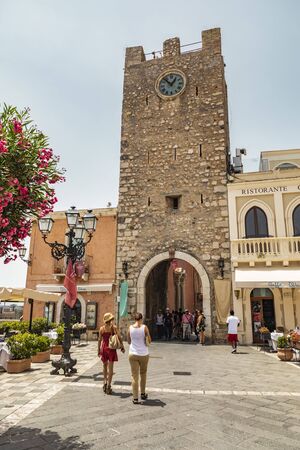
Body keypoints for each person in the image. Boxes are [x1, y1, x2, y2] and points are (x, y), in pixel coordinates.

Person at [98, 312, 125, 394]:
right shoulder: (114, 328)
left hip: (104, 348)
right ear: (111, 320)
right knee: (111, 369)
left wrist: (98, 350)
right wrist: (122, 346)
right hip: (111, 349)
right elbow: (119, 337)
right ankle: (109, 386)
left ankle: (105, 383)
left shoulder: (101, 328)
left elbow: (99, 340)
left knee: (104, 367)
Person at [127, 312, 151, 404]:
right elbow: (149, 340)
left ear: (134, 319)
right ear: (141, 319)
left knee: (134, 376)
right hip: (144, 354)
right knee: (143, 374)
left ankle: (135, 398)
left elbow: (129, 341)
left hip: (133, 354)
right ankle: (143, 393)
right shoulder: (144, 327)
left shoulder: (130, 328)